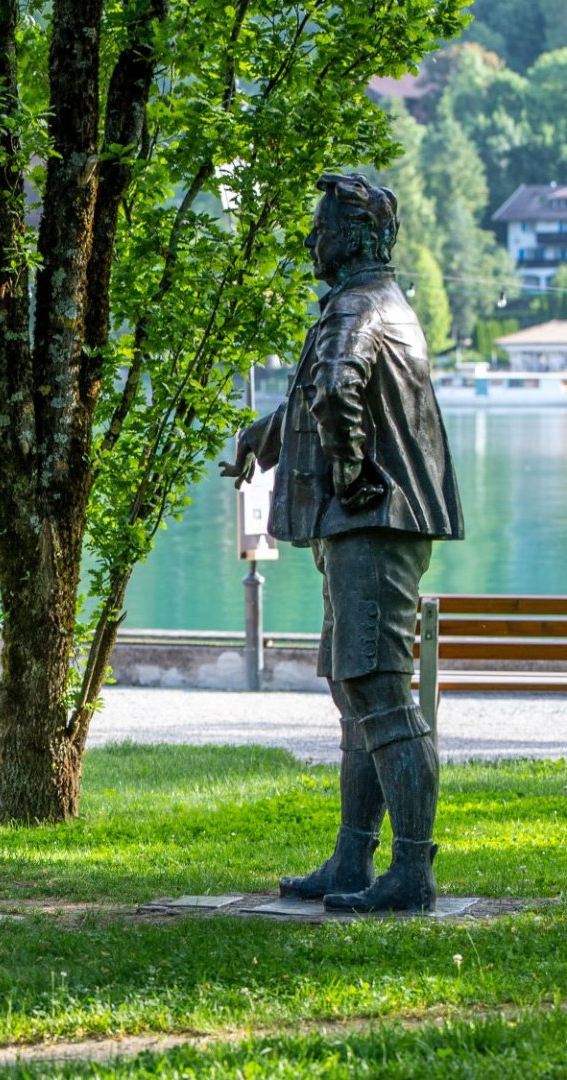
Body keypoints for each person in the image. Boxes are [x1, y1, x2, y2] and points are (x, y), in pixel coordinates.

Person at [223, 173, 463, 914]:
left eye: (320, 228)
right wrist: (266, 438)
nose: (311, 239)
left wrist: (353, 479)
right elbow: (318, 396)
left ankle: (411, 873)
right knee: (355, 692)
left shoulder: (356, 310)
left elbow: (336, 391)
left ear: (355, 236)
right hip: (365, 524)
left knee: (381, 695)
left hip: (371, 522)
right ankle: (353, 857)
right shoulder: (376, 306)